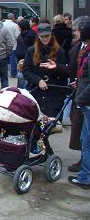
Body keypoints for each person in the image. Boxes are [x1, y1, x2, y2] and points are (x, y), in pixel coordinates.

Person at [23, 23, 69, 118]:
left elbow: (65, 73)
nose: (45, 39)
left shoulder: (60, 51)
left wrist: (56, 67)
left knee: (52, 125)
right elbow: (26, 70)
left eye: (47, 36)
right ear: (38, 37)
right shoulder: (31, 51)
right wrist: (38, 80)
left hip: (54, 93)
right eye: (42, 36)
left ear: (51, 35)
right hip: (36, 91)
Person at [69, 22, 90, 189]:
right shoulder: (86, 50)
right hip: (84, 99)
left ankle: (85, 177)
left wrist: (80, 98)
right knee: (85, 139)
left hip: (87, 103)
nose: (76, 33)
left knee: (87, 141)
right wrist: (79, 82)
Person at [16, 19, 36, 89]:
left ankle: (24, 91)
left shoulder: (32, 34)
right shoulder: (22, 33)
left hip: (27, 59)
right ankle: (20, 89)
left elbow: (34, 47)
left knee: (22, 76)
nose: (18, 27)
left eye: (19, 26)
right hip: (20, 59)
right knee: (20, 76)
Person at [3, 13, 21, 78]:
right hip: (13, 45)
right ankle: (13, 74)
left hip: (3, 45)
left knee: (3, 59)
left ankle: (3, 73)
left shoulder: (2, 25)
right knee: (13, 60)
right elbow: (17, 36)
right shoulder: (15, 25)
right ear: (13, 18)